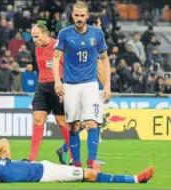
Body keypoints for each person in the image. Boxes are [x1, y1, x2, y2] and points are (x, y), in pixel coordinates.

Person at [53, 2, 111, 169]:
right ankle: (76, 164)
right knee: (73, 125)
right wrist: (58, 81)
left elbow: (105, 59)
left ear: (87, 16)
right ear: (72, 15)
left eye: (82, 15)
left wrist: (106, 85)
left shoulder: (97, 34)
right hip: (70, 85)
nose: (79, 18)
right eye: (76, 15)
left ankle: (92, 160)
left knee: (92, 122)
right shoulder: (64, 34)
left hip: (90, 84)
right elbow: (56, 57)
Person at [0, 138, 154, 184]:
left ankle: (67, 157)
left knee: (88, 171)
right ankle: (136, 179)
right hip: (46, 174)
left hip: (41, 165)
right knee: (91, 175)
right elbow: (3, 142)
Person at [27, 23, 69, 161]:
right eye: (33, 37)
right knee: (38, 120)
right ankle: (31, 160)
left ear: (45, 34)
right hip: (42, 86)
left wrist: (65, 87)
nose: (34, 40)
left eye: (36, 37)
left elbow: (68, 66)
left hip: (58, 85)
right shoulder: (37, 48)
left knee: (61, 121)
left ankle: (74, 157)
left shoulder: (58, 46)